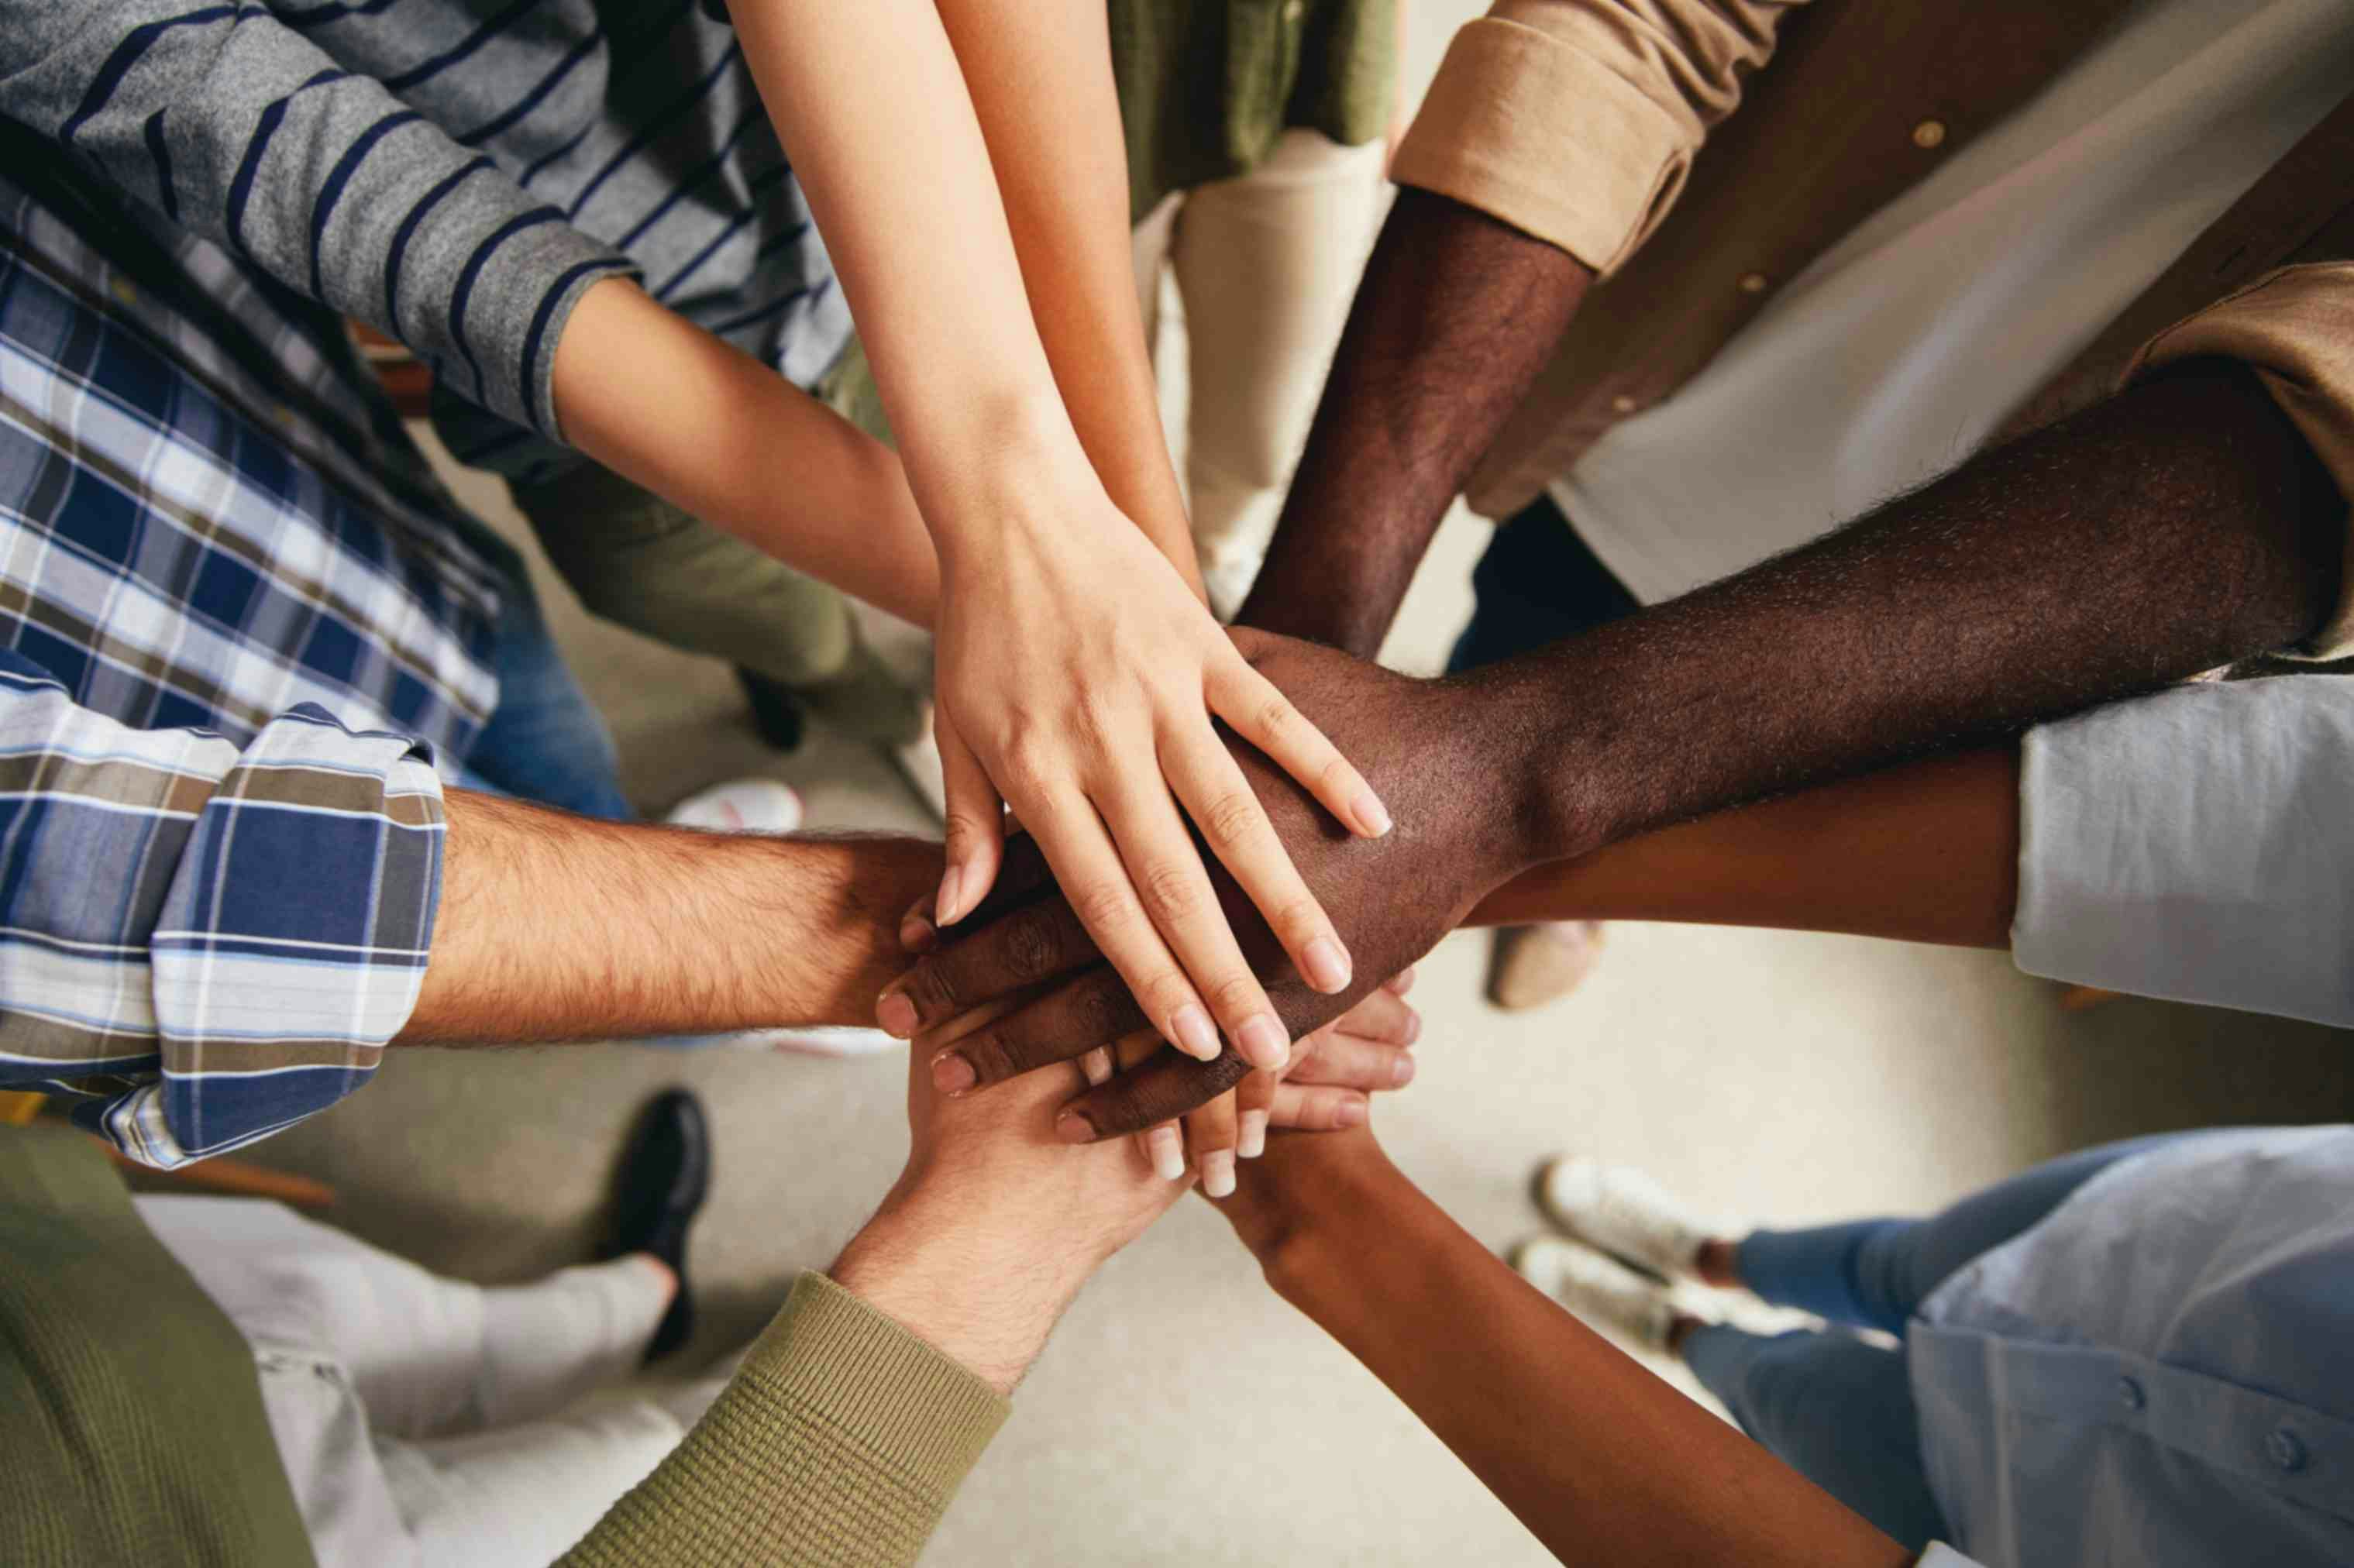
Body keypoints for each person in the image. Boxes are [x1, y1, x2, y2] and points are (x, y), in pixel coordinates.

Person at [5, 2, 1398, 1153]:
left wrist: (1113, 568)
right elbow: (302, 154)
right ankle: (850, 709)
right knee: (792, 645)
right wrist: (1023, 562)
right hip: (603, 411)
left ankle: (885, 727)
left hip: (886, 185)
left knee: (541, 694)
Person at [1236, 0, 2354, 1010]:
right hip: (1659, 417)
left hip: (1984, 616)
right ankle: (1482, 822)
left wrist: (1493, 788)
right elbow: (1628, 27)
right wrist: (1307, 688)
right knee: (1503, 654)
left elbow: (2321, 445)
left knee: (1619, 800)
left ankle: (1550, 882)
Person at [1513, 1129, 2354, 1564]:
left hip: (2037, 1528)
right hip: (2189, 1241)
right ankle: (1710, 1254)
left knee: (1785, 1391)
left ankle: (1679, 1329)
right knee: (1887, 1262)